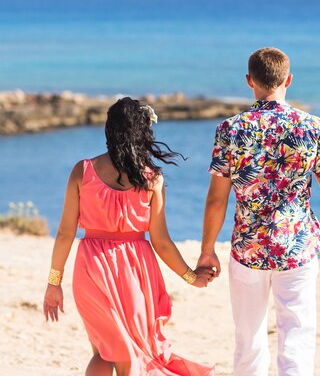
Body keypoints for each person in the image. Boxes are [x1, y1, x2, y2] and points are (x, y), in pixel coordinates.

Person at [42, 97, 216, 376]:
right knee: (130, 354)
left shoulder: (82, 170)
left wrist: (54, 282)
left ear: (109, 130)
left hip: (92, 266)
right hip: (136, 270)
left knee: (103, 350)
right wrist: (190, 277)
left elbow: (65, 233)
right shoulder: (152, 179)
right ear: (143, 132)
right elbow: (161, 241)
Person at [197, 47, 320, 376]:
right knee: (297, 337)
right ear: (288, 80)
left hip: (248, 249)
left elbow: (216, 200)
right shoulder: (314, 127)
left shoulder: (230, 130)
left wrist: (207, 250)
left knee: (248, 339)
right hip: (298, 247)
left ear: (250, 81)